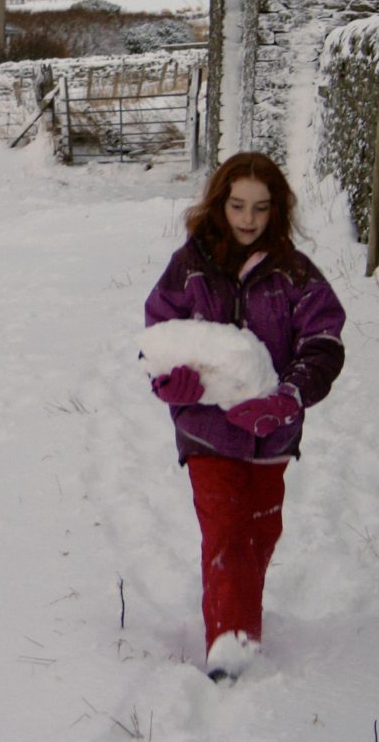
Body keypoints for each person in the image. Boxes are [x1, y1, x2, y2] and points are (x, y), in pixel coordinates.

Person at [143, 152, 345, 683]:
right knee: (226, 531)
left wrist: (289, 396)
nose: (248, 219)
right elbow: (160, 337)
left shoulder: (296, 275)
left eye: (260, 207)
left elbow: (323, 344)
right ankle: (228, 649)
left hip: (271, 434)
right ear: (219, 204)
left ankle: (239, 619)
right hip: (206, 430)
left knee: (260, 533)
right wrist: (168, 381)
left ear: (276, 210)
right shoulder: (188, 268)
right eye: (237, 205)